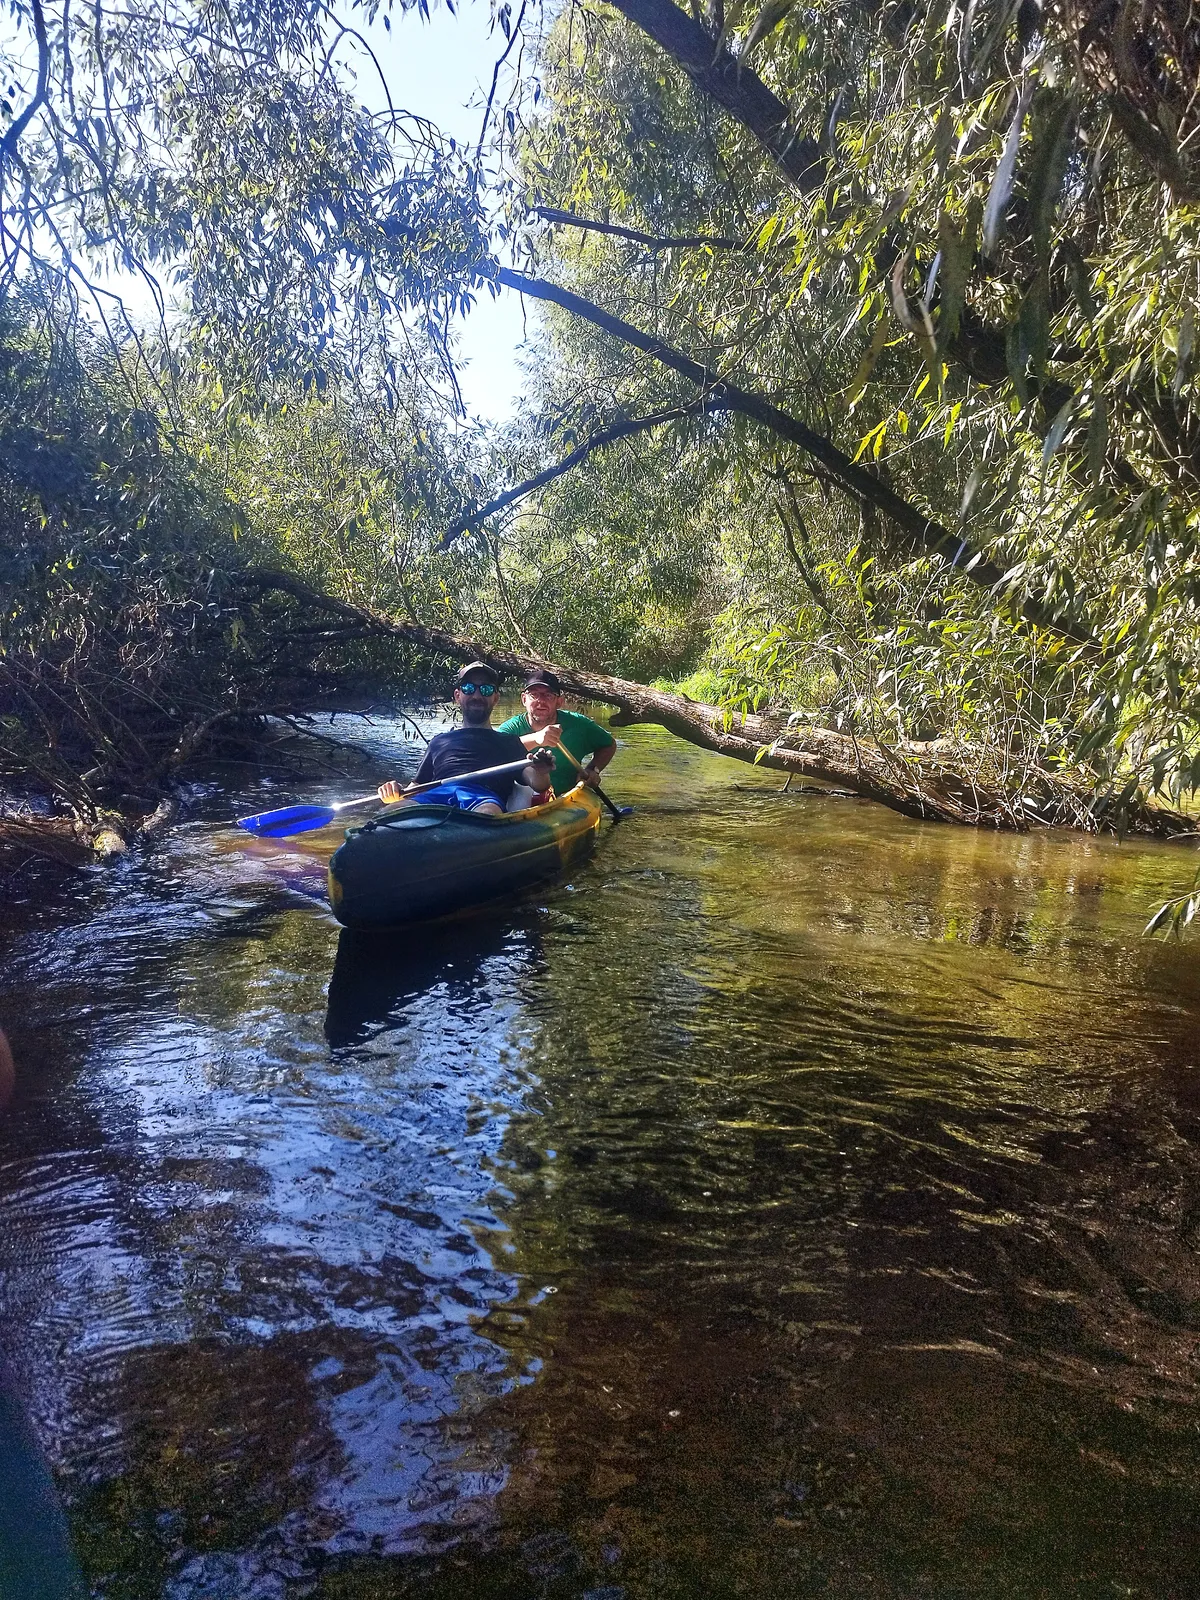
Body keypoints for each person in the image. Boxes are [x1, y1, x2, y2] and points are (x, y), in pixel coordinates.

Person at [377, 662, 554, 816]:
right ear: (457, 696)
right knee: (389, 811)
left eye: (486, 689)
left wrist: (541, 770)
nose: (476, 696)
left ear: (495, 698)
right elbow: (416, 787)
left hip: (483, 798)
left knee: (488, 812)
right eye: (469, 688)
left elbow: (538, 784)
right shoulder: (439, 742)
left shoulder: (510, 742)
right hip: (437, 795)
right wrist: (395, 791)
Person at [496, 670, 617, 798]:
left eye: (548, 695)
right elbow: (495, 752)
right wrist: (536, 739)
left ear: (559, 702)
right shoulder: (510, 729)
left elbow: (609, 745)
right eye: (534, 695)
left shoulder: (579, 724)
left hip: (568, 797)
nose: (540, 701)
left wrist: (593, 770)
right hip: (523, 799)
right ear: (524, 699)